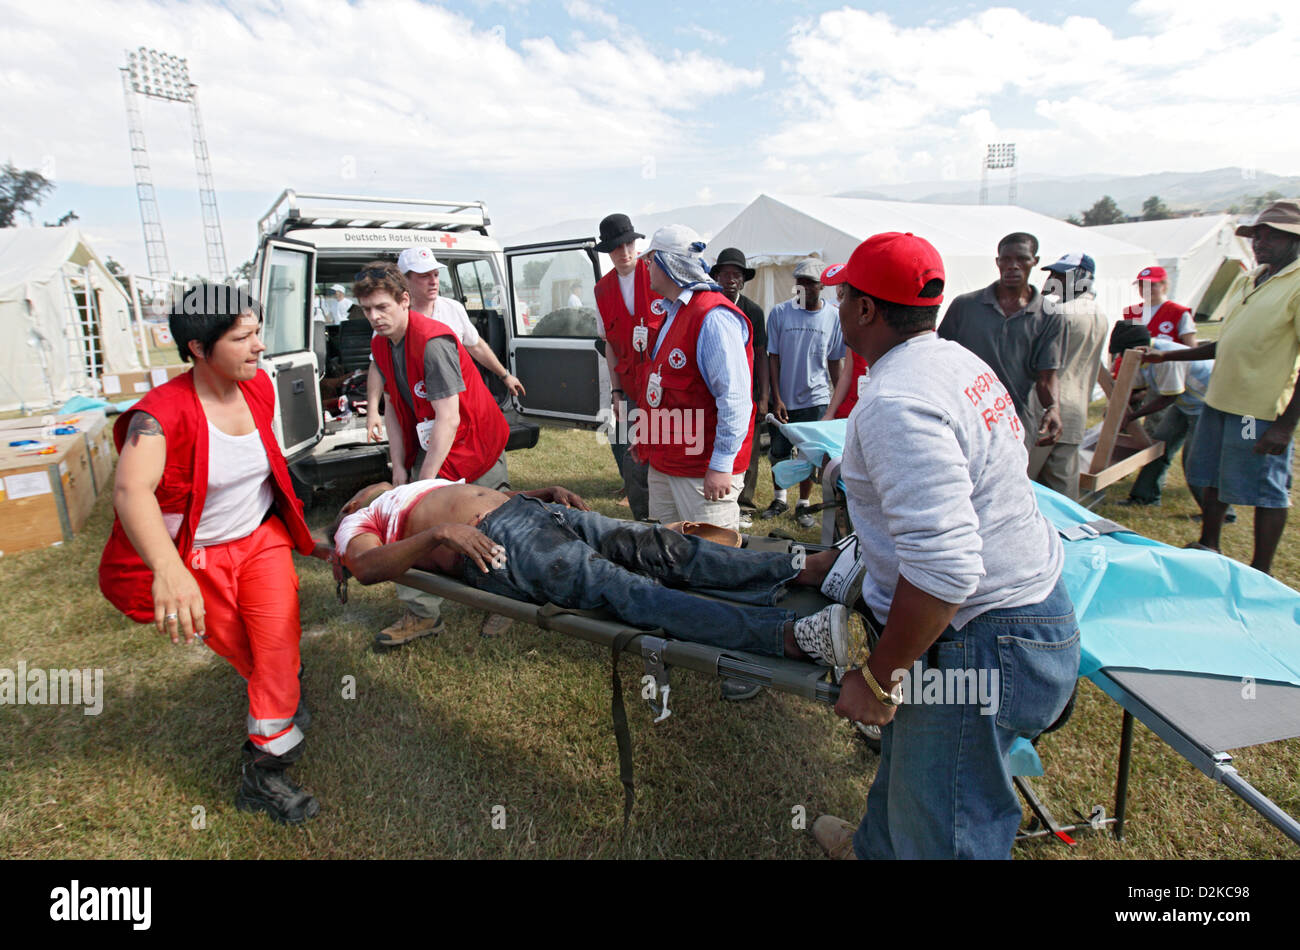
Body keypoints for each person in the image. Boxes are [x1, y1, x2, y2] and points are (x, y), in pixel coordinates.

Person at [809, 233, 1080, 860]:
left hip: (983, 637)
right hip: (1013, 615)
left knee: (950, 821)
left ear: (867, 310)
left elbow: (943, 569)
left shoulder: (896, 402)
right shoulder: (958, 362)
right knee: (914, 765)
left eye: (846, 295)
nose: (840, 306)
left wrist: (878, 680)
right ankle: (875, 847)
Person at [98, 284, 320, 825]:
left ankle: (263, 777)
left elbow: (265, 463)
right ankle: (281, 696)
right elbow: (131, 492)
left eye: (257, 333)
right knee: (251, 655)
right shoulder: (159, 417)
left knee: (275, 647)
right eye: (242, 337)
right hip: (198, 559)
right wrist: (170, 571)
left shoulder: (260, 387)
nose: (258, 347)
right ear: (198, 347)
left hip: (260, 541)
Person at [332, 479, 868, 667]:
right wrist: (437, 536)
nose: (372, 483)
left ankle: (809, 569)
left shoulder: (406, 486)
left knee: (659, 544)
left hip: (532, 515)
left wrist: (539, 496)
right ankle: (792, 639)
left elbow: (476, 497)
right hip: (501, 547)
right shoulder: (360, 517)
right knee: (629, 591)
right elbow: (363, 566)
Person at [356, 260, 512, 647]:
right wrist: (398, 472)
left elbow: (449, 419)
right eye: (366, 310)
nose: (374, 317)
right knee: (412, 527)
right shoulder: (382, 343)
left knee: (496, 525)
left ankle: (506, 601)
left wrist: (423, 484)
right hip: (437, 443)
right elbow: (393, 406)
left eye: (382, 308)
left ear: (404, 301)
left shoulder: (433, 342)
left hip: (474, 444)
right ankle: (422, 614)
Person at [1145, 199, 1300, 575]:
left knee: (1264, 486)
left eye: (1270, 235)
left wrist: (1283, 426)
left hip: (1254, 410)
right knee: (1209, 474)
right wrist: (1168, 357)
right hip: (1219, 400)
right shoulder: (1251, 278)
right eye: (1256, 234)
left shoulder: (1296, 284)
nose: (1259, 241)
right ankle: (1209, 542)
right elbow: (1226, 343)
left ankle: (1261, 569)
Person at [640, 225, 755, 532]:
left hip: (700, 470)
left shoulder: (713, 317)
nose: (646, 268)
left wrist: (720, 466)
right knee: (669, 549)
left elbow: (735, 399)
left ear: (666, 262)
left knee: (711, 556)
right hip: (668, 460)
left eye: (650, 260)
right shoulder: (674, 312)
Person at [366, 247, 525, 444]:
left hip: (457, 404)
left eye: (435, 274)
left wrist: (505, 376)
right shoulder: (390, 318)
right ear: (404, 281)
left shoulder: (453, 309)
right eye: (424, 276)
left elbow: (476, 346)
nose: (433, 281)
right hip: (417, 408)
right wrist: (372, 411)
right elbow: (378, 365)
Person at [937, 231, 1064, 451]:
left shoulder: (1048, 315)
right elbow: (939, 360)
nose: (1013, 265)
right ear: (997, 262)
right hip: (963, 418)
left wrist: (1053, 408)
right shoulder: (965, 306)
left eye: (1022, 259)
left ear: (1035, 261)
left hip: (1014, 422)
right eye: (1006, 259)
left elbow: (1047, 376)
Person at [759, 258, 844, 529]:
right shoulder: (780, 313)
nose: (805, 287)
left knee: (809, 454)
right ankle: (779, 498)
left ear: (822, 286)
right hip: (783, 398)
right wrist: (777, 396)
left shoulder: (833, 316)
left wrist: (837, 403)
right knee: (779, 451)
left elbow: (834, 361)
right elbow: (773, 357)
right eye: (800, 282)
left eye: (811, 283)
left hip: (816, 397)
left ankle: (803, 504)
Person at [1110, 322, 1228, 518]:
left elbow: (1168, 397)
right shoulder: (1140, 358)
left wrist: (1131, 416)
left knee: (1196, 460)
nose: (1121, 358)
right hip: (1185, 404)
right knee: (1158, 447)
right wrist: (1118, 410)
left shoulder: (1166, 358)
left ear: (1139, 349)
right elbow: (1136, 389)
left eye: (1123, 353)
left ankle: (1220, 515)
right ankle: (1145, 497)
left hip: (1205, 406)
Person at [592, 213, 663, 521]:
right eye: (616, 247)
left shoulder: (658, 276)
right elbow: (609, 343)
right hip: (632, 388)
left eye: (628, 244)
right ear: (608, 251)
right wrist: (617, 391)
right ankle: (644, 520)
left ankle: (673, 517)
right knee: (635, 456)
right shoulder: (602, 291)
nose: (624, 252)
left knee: (671, 450)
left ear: (636, 244)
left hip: (667, 385)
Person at [1027, 253, 1109, 499]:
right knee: (1062, 492)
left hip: (1046, 408)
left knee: (1026, 486)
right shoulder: (1099, 314)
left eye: (1060, 276)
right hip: (1075, 410)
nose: (1053, 280)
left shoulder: (1058, 313)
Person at [711, 248, 769, 529]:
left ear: (743, 280)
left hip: (749, 393)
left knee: (750, 448)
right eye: (726, 274)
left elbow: (762, 355)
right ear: (717, 276)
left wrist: (765, 396)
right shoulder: (708, 307)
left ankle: (744, 504)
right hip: (716, 394)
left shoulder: (753, 311)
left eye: (737, 274)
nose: (730, 279)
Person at [821, 262, 868, 421]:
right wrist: (830, 413)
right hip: (850, 408)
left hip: (873, 410)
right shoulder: (853, 324)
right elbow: (847, 373)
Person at [1122, 266, 1197, 346]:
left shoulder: (1179, 313)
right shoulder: (1131, 312)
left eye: (1152, 285)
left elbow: (1191, 348)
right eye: (1142, 285)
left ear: (1164, 285)